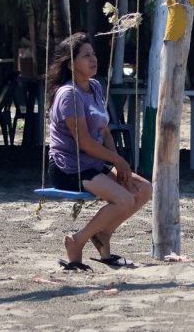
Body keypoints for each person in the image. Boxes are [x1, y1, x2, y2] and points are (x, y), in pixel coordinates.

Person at [47, 33, 151, 270]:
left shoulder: (95, 86)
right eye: (86, 56)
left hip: (94, 164)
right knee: (124, 200)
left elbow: (104, 132)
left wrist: (117, 164)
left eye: (93, 54)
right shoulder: (68, 95)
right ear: (71, 64)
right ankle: (77, 241)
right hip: (69, 168)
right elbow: (84, 142)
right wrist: (117, 161)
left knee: (143, 190)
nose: (93, 59)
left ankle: (103, 235)